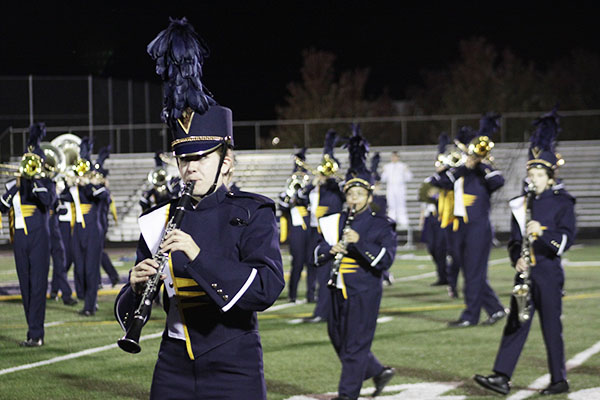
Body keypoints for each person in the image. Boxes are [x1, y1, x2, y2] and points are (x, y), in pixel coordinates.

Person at [114, 18, 284, 400]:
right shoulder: (158, 219)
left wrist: (196, 256)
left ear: (227, 162)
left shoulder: (253, 213)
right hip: (172, 365)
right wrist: (134, 285)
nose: (190, 167)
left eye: (202, 158)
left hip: (234, 363)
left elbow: (267, 289)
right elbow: (131, 310)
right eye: (183, 159)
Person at [474, 108, 575, 396]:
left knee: (551, 328)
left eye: (539, 173)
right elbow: (514, 241)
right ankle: (501, 377)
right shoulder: (522, 203)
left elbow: (566, 239)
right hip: (525, 274)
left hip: (548, 273)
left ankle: (559, 379)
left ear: (550, 177)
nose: (533, 177)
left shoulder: (563, 203)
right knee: (515, 323)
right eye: (531, 173)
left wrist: (542, 232)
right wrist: (516, 257)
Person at [314, 126, 396, 400]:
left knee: (355, 346)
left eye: (359, 195)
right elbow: (316, 253)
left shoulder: (380, 225)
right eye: (350, 194)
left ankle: (347, 395)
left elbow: (385, 261)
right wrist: (329, 248)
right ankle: (378, 371)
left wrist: (359, 242)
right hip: (337, 289)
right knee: (337, 337)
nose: (353, 199)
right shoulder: (335, 220)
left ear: (369, 198)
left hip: (364, 291)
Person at [429, 113, 507, 327]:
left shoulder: (483, 172)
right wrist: (465, 166)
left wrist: (480, 163)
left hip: (478, 227)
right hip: (458, 226)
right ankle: (496, 309)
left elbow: (498, 181)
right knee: (471, 272)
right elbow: (436, 182)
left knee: (473, 273)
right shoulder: (460, 171)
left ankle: (470, 316)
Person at [0, 122, 54, 346]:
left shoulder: (44, 182)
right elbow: (2, 207)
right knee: (26, 286)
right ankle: (31, 332)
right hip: (20, 237)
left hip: (40, 236)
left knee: (38, 284)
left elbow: (47, 201)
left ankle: (36, 334)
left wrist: (33, 181)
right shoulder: (13, 184)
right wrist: (15, 187)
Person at [302, 129, 345, 323]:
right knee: (316, 266)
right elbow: (302, 198)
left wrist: (331, 176)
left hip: (330, 230)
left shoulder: (334, 186)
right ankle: (319, 305)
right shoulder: (315, 186)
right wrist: (313, 183)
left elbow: (342, 188)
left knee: (328, 270)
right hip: (313, 230)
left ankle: (324, 311)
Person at [64, 137, 109, 316]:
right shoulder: (75, 189)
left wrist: (88, 184)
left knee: (91, 270)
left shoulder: (95, 187)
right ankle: (85, 298)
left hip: (93, 232)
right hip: (78, 232)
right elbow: (57, 199)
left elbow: (103, 195)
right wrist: (63, 184)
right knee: (80, 269)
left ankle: (90, 305)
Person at [278, 148, 311, 303]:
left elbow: (309, 202)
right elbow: (282, 206)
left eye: (303, 175)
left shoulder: (310, 190)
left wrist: (302, 193)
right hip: (297, 231)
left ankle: (311, 295)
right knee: (297, 264)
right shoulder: (288, 192)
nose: (300, 177)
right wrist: (291, 195)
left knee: (311, 263)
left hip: (310, 230)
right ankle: (292, 295)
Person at [92, 146, 121, 287]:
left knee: (96, 253)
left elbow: (105, 200)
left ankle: (102, 279)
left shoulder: (103, 190)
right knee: (97, 252)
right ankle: (111, 276)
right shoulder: (97, 189)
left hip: (100, 223)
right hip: (96, 223)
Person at [381, 150, 412, 229]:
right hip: (391, 187)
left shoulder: (403, 166)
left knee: (401, 204)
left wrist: (406, 171)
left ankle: (403, 221)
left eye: (395, 157)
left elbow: (409, 178)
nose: (394, 158)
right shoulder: (387, 166)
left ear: (398, 157)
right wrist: (383, 171)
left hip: (400, 187)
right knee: (391, 205)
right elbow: (383, 179)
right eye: (393, 157)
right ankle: (391, 220)